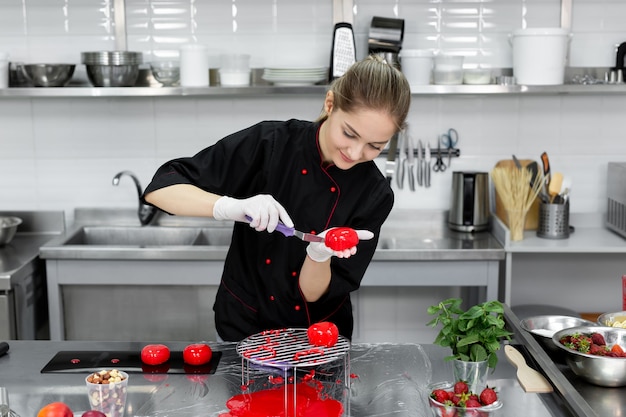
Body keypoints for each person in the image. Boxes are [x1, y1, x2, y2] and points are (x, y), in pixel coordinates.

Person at [142, 55, 411, 342]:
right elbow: (160, 190)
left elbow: (311, 293)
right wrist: (230, 207)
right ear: (330, 104)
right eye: (349, 133)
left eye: (375, 146)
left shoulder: (374, 194)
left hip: (318, 340)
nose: (356, 154)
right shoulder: (269, 145)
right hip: (243, 327)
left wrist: (319, 254)